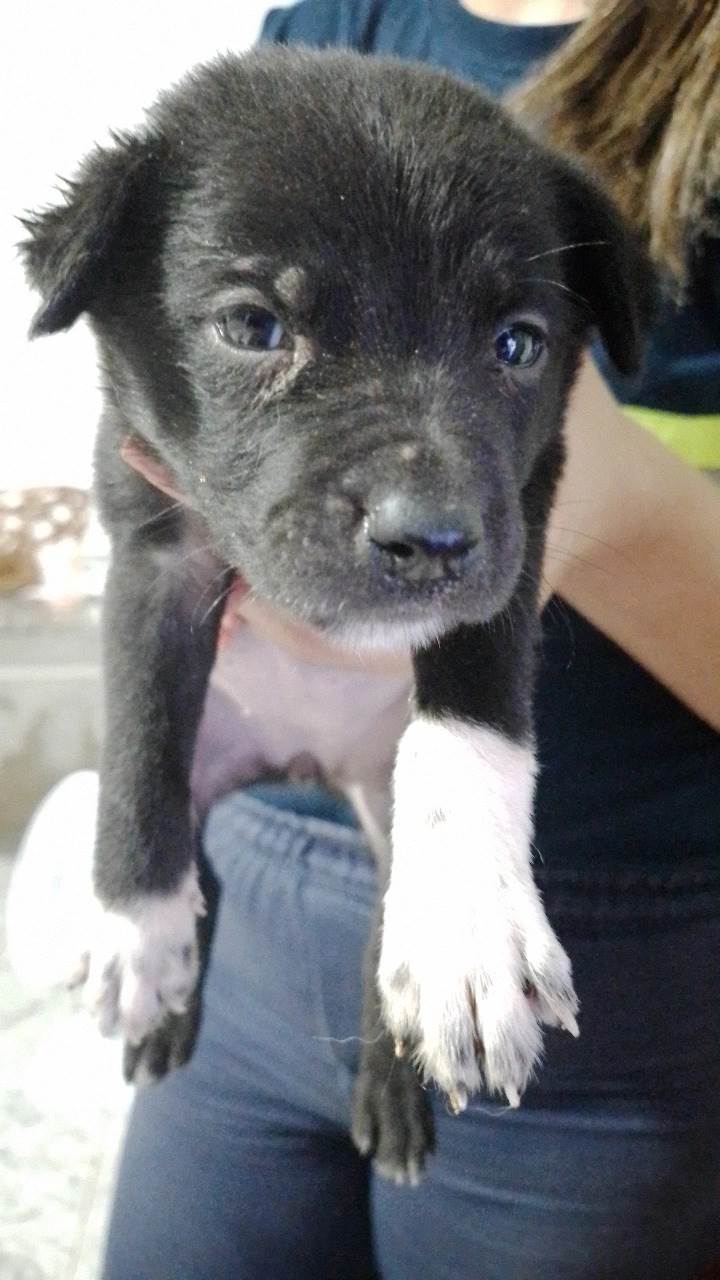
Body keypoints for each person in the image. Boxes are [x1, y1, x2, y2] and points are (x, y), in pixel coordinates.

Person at [49, 2, 720, 1277]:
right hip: (250, 897)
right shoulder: (329, 24)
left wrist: (608, 510)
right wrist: (143, 867)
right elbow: (155, 516)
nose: (422, 498)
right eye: (261, 326)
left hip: (595, 964)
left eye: (514, 342)